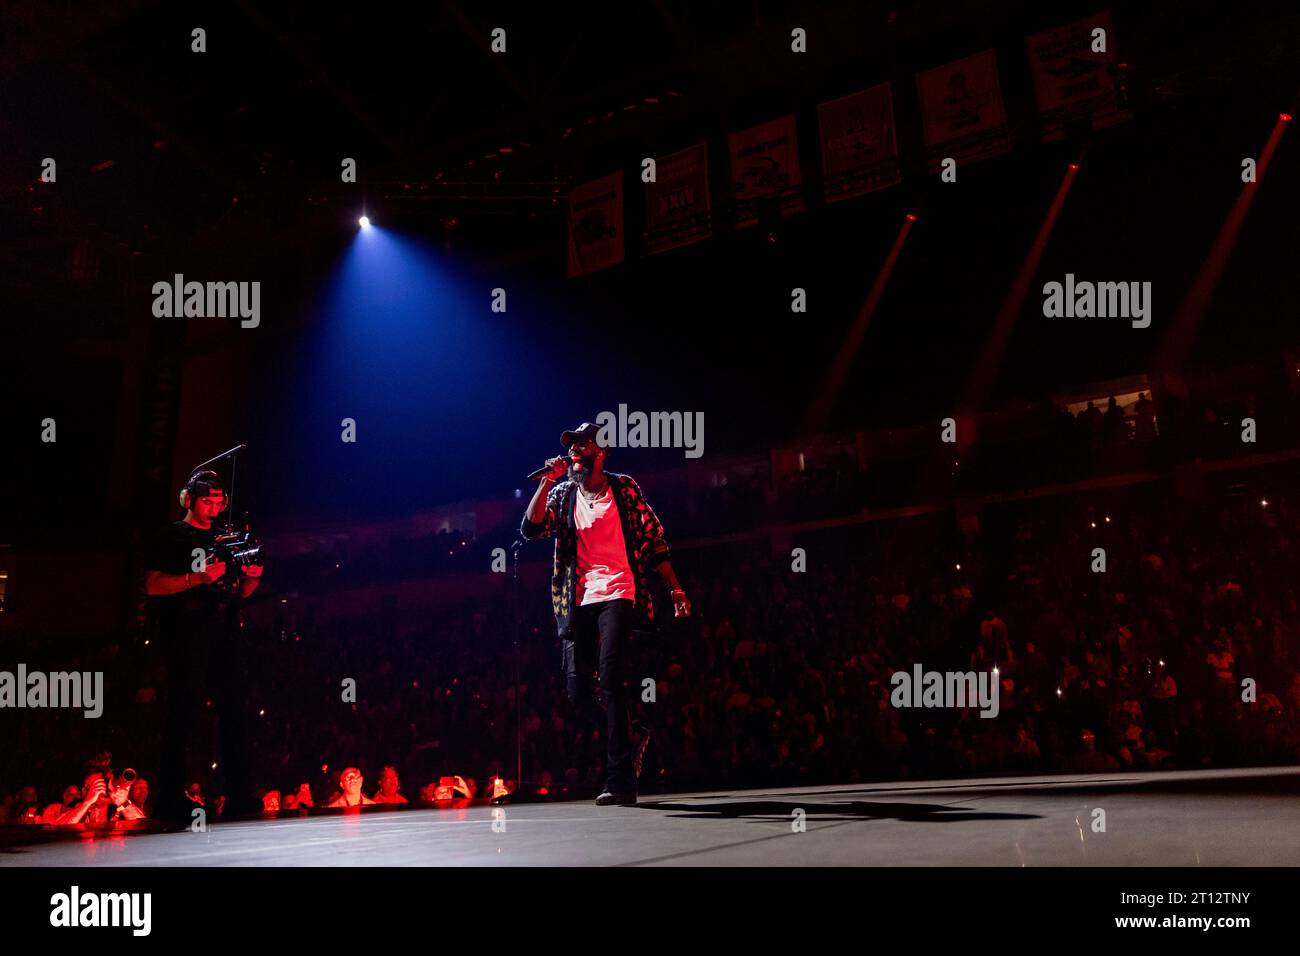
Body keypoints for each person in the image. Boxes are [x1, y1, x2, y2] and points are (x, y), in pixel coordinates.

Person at [521, 422, 690, 806]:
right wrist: (546, 482)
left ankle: (620, 781)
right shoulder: (563, 493)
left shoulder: (624, 489)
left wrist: (675, 588)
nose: (575, 451)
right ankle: (632, 735)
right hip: (577, 599)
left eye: (583, 445)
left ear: (601, 452)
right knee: (578, 693)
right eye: (572, 446)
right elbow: (531, 529)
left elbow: (653, 539)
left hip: (619, 591)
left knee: (611, 678)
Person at [143, 469, 263, 824]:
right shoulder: (172, 535)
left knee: (234, 712)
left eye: (218, 502)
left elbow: (242, 591)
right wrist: (196, 578)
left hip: (224, 630)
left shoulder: (225, 536)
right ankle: (169, 797)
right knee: (182, 713)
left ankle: (240, 792)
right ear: (190, 499)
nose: (213, 508)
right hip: (185, 633)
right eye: (207, 501)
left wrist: (254, 576)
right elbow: (152, 584)